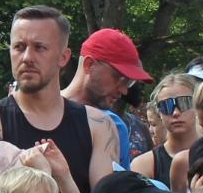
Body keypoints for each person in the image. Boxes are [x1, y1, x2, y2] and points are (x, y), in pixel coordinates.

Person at [0, 7, 116, 193]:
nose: (27, 57)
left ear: (64, 57)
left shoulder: (98, 125)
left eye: (40, 47)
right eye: (19, 47)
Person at [66, 28, 153, 167]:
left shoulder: (115, 126)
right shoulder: (36, 110)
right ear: (89, 65)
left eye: (129, 82)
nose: (124, 91)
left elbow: (115, 188)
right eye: (119, 78)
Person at [131, 74, 198, 188]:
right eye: (166, 106)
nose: (176, 113)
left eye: (184, 103)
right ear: (158, 112)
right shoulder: (144, 164)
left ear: (197, 105)